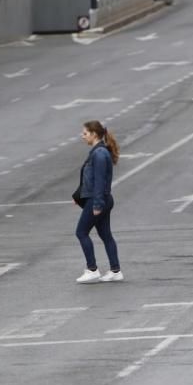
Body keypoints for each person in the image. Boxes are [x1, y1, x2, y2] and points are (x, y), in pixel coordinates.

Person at [74, 121, 122, 284]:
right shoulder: (98, 152)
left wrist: (97, 204)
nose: (82, 136)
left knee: (81, 232)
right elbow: (90, 179)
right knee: (105, 234)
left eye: (85, 133)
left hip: (98, 200)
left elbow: (100, 181)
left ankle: (92, 269)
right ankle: (115, 271)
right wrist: (81, 196)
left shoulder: (99, 154)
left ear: (94, 134)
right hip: (99, 198)